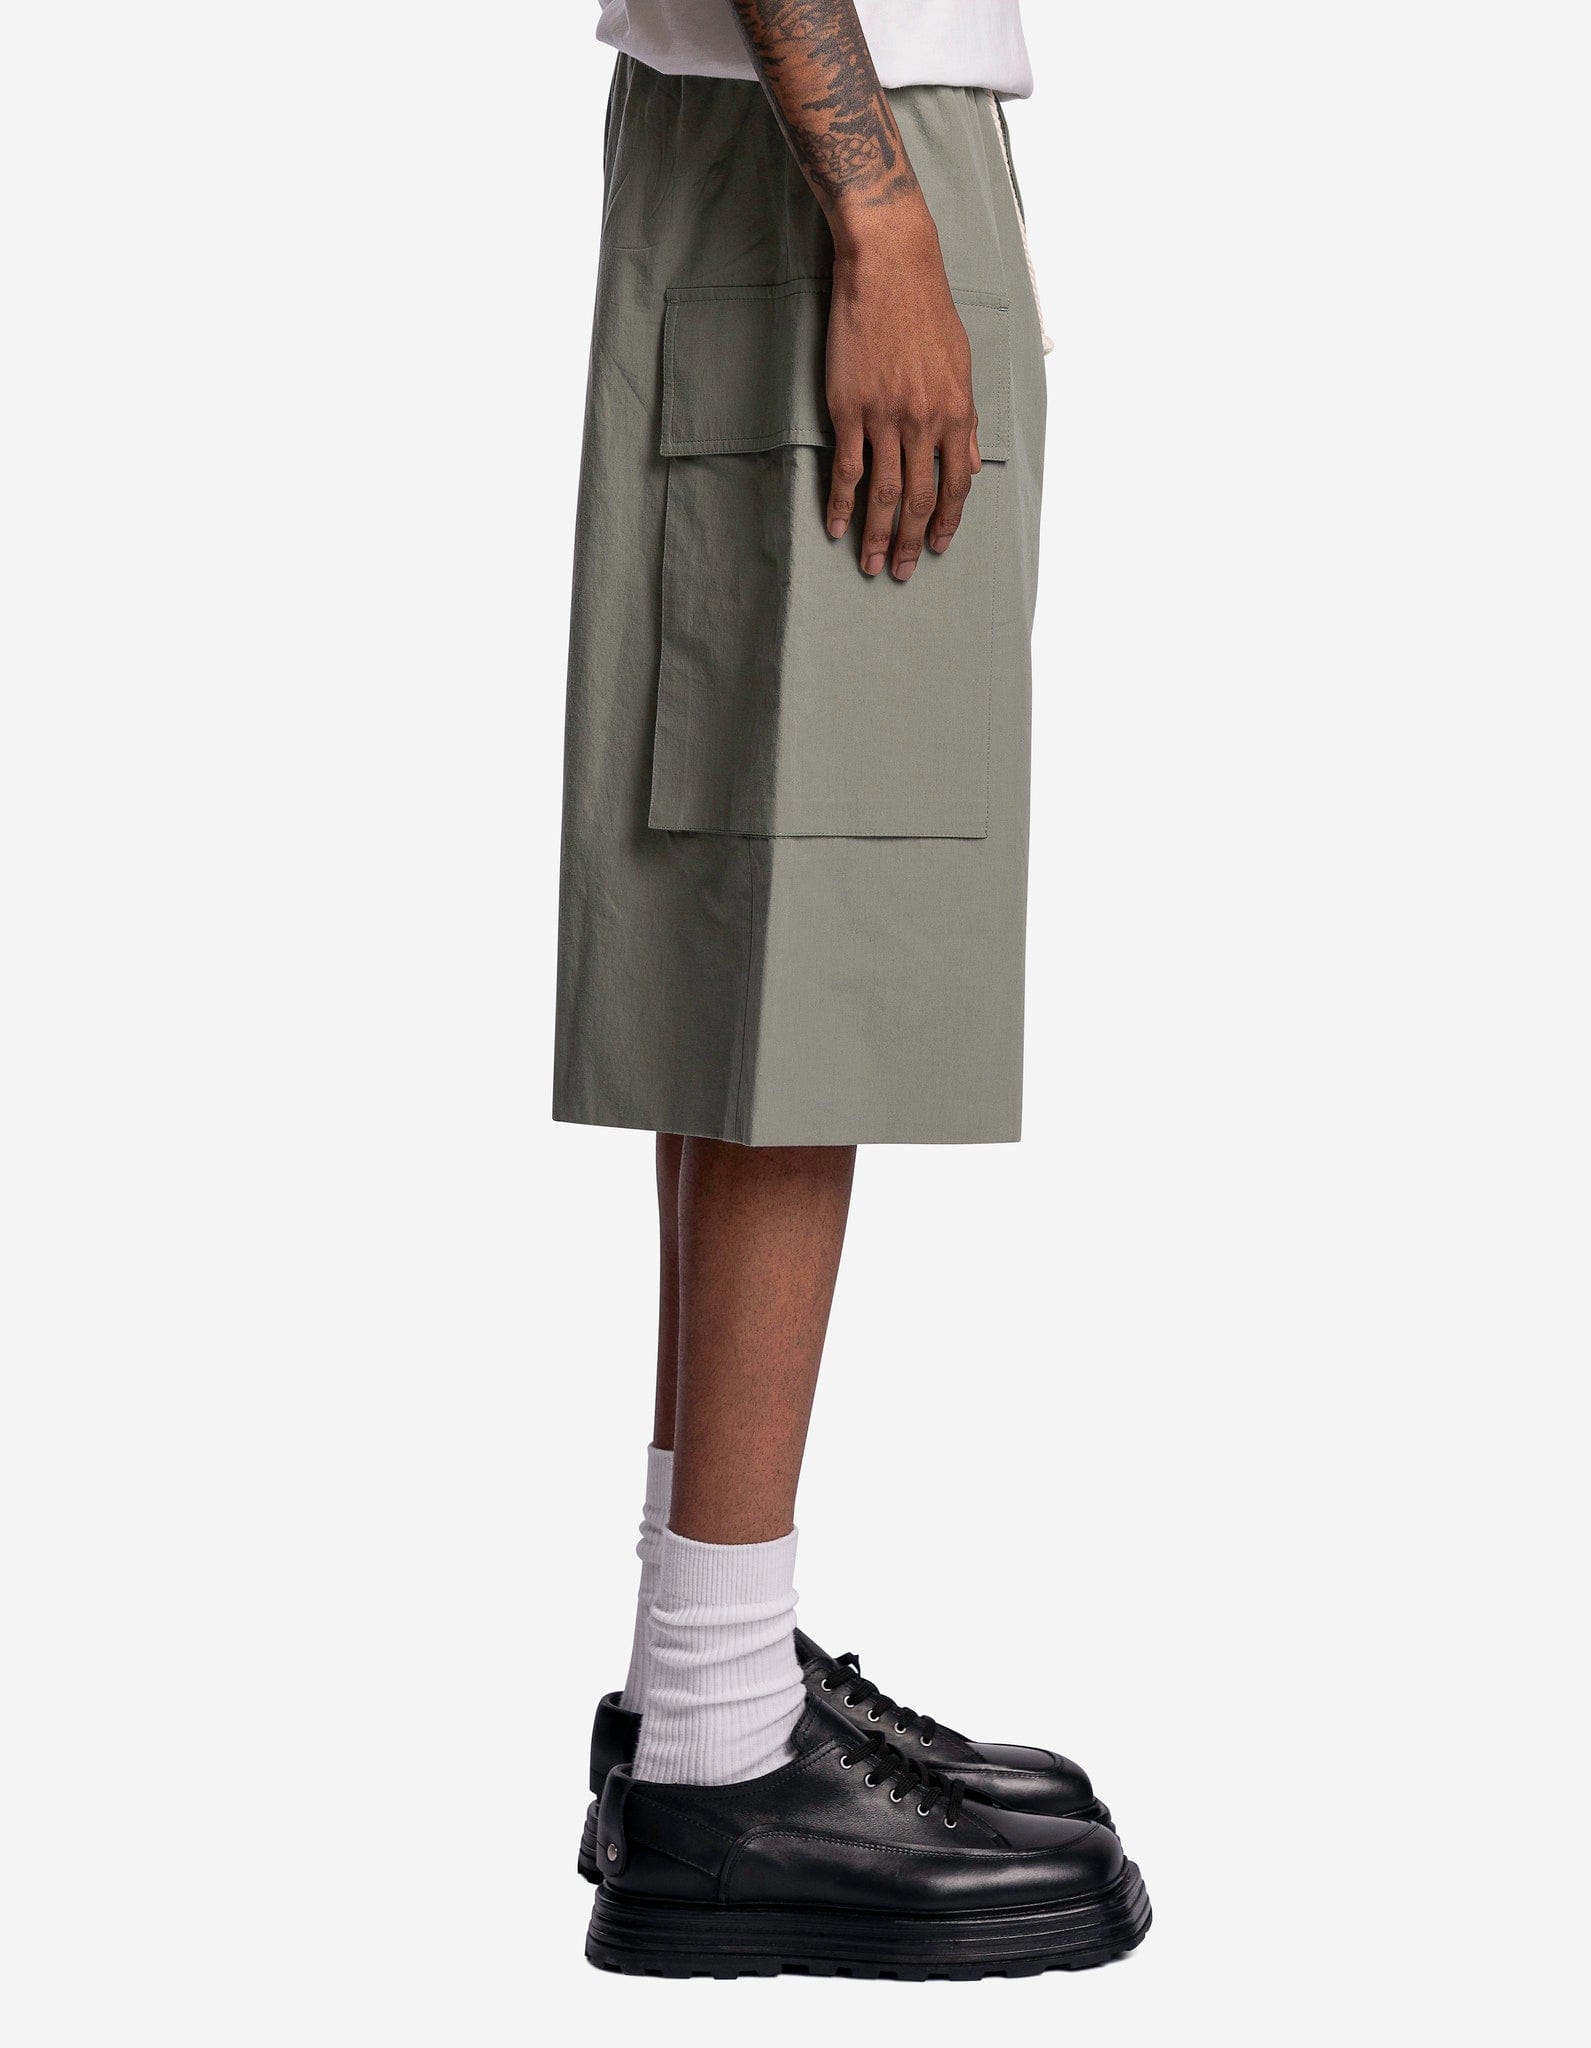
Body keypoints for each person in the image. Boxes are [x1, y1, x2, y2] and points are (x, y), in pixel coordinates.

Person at [556, 1, 1151, 1977]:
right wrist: (883, 217)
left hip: (809, 146)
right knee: (810, 937)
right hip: (829, 155)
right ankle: (721, 1767)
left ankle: (708, 1673)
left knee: (765, 922)